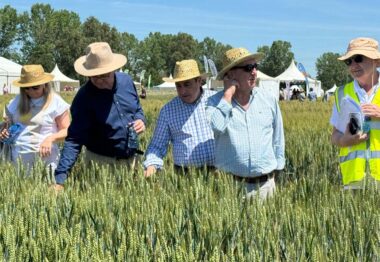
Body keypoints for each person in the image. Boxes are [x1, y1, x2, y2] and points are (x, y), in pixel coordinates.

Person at [53, 42, 146, 190]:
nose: (100, 81)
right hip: (101, 165)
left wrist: (141, 119)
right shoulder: (83, 98)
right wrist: (60, 179)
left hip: (133, 162)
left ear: (113, 70)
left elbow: (137, 108)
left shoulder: (127, 81)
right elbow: (74, 139)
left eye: (104, 76)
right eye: (94, 77)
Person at [206, 47, 285, 200]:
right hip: (230, 188)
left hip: (265, 187)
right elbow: (216, 127)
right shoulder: (214, 102)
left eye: (256, 67)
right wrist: (228, 95)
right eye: (248, 68)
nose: (254, 72)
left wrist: (278, 172)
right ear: (231, 74)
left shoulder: (268, 100)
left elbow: (278, 139)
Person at [144, 59, 215, 177]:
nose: (182, 91)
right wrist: (151, 165)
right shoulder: (167, 111)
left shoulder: (216, 101)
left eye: (187, 84)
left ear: (198, 81)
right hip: (185, 175)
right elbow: (157, 145)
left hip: (219, 173)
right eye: (178, 85)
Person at [0, 64, 70, 175]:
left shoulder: (55, 102)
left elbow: (67, 130)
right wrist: (5, 133)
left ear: (44, 84)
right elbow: (10, 125)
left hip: (46, 161)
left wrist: (50, 139)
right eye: (26, 88)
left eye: (35, 87)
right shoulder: (16, 101)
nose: (31, 91)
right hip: (18, 160)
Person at [330, 37, 380, 189]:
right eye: (349, 61)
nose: (353, 65)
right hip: (354, 181)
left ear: (376, 61)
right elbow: (335, 136)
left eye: (358, 58)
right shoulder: (341, 93)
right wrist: (345, 140)